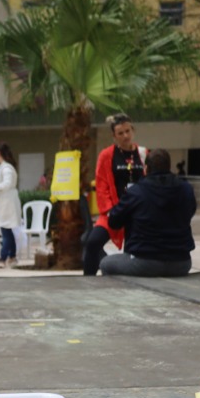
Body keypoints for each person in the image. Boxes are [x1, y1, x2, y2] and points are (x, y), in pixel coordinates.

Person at [100, 149, 195, 278]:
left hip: (144, 262)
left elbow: (114, 222)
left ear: (146, 168)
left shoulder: (136, 192)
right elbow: (191, 211)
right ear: (169, 167)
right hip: (182, 263)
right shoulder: (186, 189)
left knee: (106, 263)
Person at [84, 112, 148, 276]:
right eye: (120, 133)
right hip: (115, 210)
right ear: (114, 136)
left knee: (131, 252)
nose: (125, 136)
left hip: (137, 213)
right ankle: (87, 280)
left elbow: (150, 182)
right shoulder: (106, 155)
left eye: (128, 131)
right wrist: (111, 211)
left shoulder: (143, 154)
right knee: (92, 242)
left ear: (132, 130)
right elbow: (101, 185)